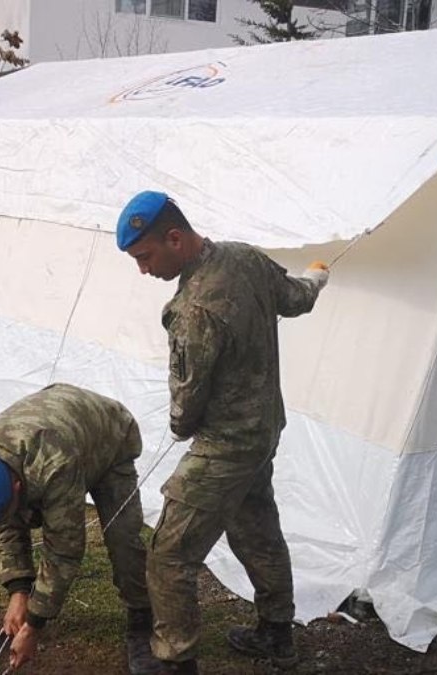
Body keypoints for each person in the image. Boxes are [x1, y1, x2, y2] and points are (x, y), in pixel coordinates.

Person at [116, 191, 330, 674]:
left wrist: (179, 426)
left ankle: (174, 662)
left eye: (145, 257)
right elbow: (297, 298)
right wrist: (319, 275)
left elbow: (186, 406)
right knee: (256, 528)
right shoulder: (245, 257)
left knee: (169, 554)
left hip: (224, 449)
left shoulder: (192, 310)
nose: (143, 271)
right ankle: (276, 632)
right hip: (263, 432)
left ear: (175, 237)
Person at [0, 383, 160, 674]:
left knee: (123, 538)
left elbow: (64, 549)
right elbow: (4, 525)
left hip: (109, 436)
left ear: (18, 486)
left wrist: (35, 622)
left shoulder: (54, 466)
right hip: (57, 430)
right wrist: (19, 589)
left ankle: (142, 623)